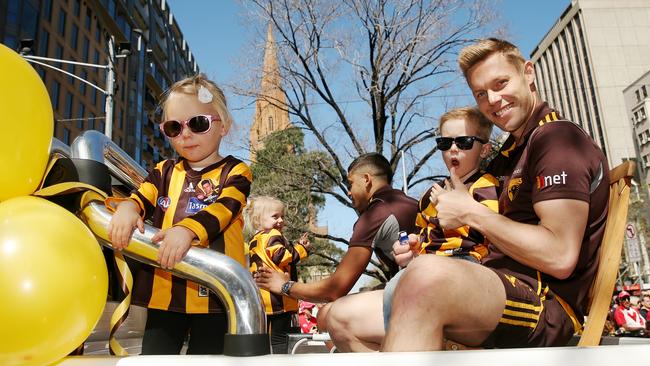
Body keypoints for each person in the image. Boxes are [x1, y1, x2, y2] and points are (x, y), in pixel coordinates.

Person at [382, 38, 609, 351]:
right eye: (480, 93)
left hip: (543, 305)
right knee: (341, 316)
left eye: (501, 83)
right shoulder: (511, 152)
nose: (493, 100)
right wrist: (419, 248)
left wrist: (470, 212)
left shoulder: (556, 139)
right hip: (495, 284)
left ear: (528, 73)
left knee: (423, 279)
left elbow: (560, 256)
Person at [325, 106, 499, 351]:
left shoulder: (487, 186)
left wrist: (466, 211)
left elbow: (495, 235)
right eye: (444, 142)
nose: (453, 149)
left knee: (408, 285)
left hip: (469, 268)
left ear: (485, 149)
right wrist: (412, 247)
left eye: (464, 141)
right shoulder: (429, 195)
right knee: (338, 315)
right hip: (425, 270)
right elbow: (422, 238)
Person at [106, 74, 252, 355]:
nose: (186, 135)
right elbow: (142, 196)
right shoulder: (163, 171)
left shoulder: (237, 171)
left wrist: (187, 230)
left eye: (198, 124)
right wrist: (127, 208)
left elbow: (225, 208)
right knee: (155, 360)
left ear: (224, 127)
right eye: (174, 127)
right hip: (164, 294)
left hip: (215, 296)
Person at [254, 153, 419, 311]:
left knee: (328, 314)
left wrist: (285, 286)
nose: (348, 192)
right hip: (430, 288)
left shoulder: (375, 215)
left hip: (418, 298)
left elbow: (334, 290)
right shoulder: (413, 203)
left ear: (367, 179)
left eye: (350, 184)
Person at [246, 196, 311, 354]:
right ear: (257, 219)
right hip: (278, 298)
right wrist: (302, 249)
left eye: (282, 216)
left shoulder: (255, 239)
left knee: (263, 337)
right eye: (275, 216)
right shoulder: (273, 235)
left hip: (262, 296)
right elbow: (282, 257)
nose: (280, 220)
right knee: (281, 339)